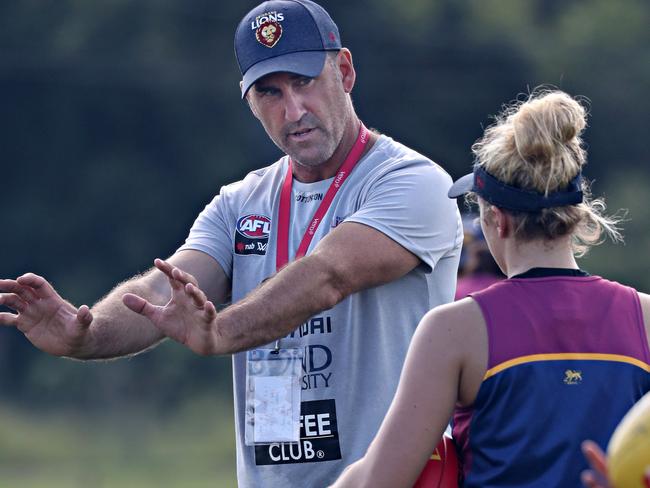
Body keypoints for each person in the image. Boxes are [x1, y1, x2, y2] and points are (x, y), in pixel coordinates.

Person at [0, 1, 462, 486]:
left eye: (304, 81)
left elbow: (329, 275)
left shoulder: (413, 182)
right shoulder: (239, 202)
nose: (293, 110)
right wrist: (86, 333)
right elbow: (163, 292)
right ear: (249, 102)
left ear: (344, 71)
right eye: (270, 92)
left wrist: (220, 331)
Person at [331, 89, 650, 488]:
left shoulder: (454, 329)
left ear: (497, 221)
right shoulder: (645, 316)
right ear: (575, 215)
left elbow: (379, 480)